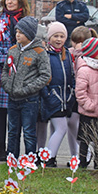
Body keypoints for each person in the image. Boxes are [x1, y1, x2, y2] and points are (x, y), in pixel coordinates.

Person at [0, 0, 30, 161]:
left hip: (22, 70)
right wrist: (6, 58)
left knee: (18, 111)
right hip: (2, 68)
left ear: (20, 0)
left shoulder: (27, 20)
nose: (10, 2)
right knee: (1, 111)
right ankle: (0, 147)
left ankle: (14, 148)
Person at [2, 16, 51, 158]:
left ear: (29, 34)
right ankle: (12, 158)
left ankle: (30, 159)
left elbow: (45, 75)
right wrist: (7, 85)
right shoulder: (13, 50)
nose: (17, 35)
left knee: (29, 132)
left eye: (21, 32)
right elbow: (5, 69)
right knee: (12, 131)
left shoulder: (39, 52)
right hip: (12, 98)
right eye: (17, 31)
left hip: (29, 100)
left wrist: (27, 89)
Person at [38, 22, 78, 167]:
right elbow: (43, 77)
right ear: (49, 37)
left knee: (58, 128)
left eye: (62, 36)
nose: (59, 39)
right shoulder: (46, 54)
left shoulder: (66, 54)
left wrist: (72, 91)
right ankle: (48, 157)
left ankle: (54, 156)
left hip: (66, 97)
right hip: (53, 97)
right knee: (62, 128)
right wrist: (48, 94)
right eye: (55, 36)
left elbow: (71, 74)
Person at [75, 37, 98, 169]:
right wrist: (90, 105)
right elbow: (80, 92)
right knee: (85, 139)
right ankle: (82, 161)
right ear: (93, 52)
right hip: (89, 112)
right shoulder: (84, 69)